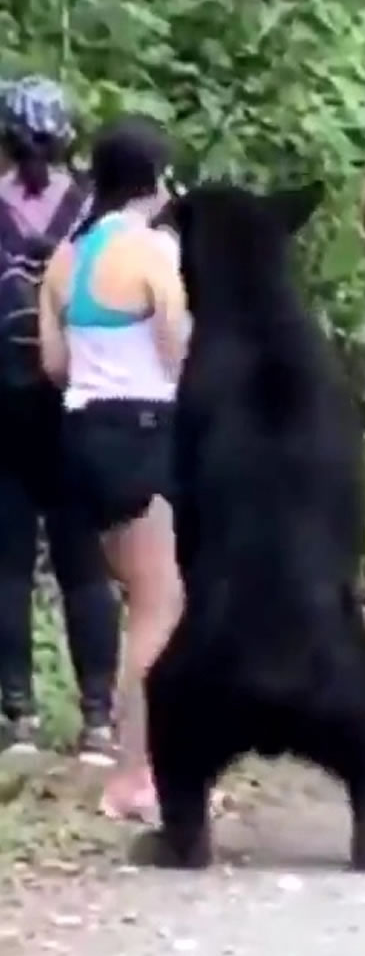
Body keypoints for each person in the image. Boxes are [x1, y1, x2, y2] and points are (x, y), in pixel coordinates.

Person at [38, 113, 188, 821]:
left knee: (137, 596)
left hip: (78, 433)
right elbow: (177, 350)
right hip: (142, 429)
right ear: (156, 182)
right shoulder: (155, 252)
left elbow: (54, 363)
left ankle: (140, 759)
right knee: (158, 605)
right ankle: (134, 774)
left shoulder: (65, 258)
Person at [0, 75, 120, 758]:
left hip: (5, 403)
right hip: (78, 400)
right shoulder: (90, 212)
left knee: (9, 564)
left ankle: (17, 716)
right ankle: (98, 717)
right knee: (83, 565)